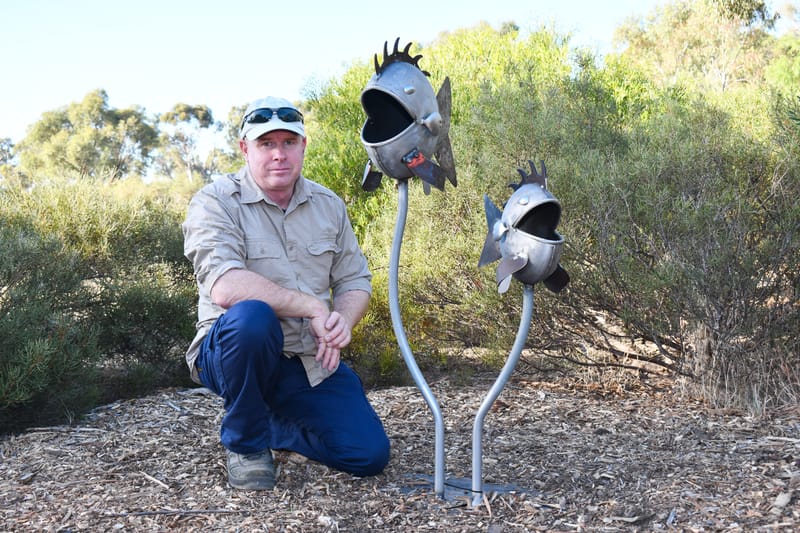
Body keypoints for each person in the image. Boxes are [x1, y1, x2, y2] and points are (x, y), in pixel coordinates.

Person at [182, 96, 391, 490]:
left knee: (368, 455)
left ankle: (270, 424)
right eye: (266, 144)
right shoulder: (215, 201)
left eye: (288, 143)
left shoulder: (328, 205)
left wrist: (341, 319)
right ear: (245, 148)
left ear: (303, 146)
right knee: (253, 318)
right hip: (231, 351)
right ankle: (246, 444)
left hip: (306, 359)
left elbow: (355, 280)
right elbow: (226, 286)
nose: (279, 155)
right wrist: (311, 306)